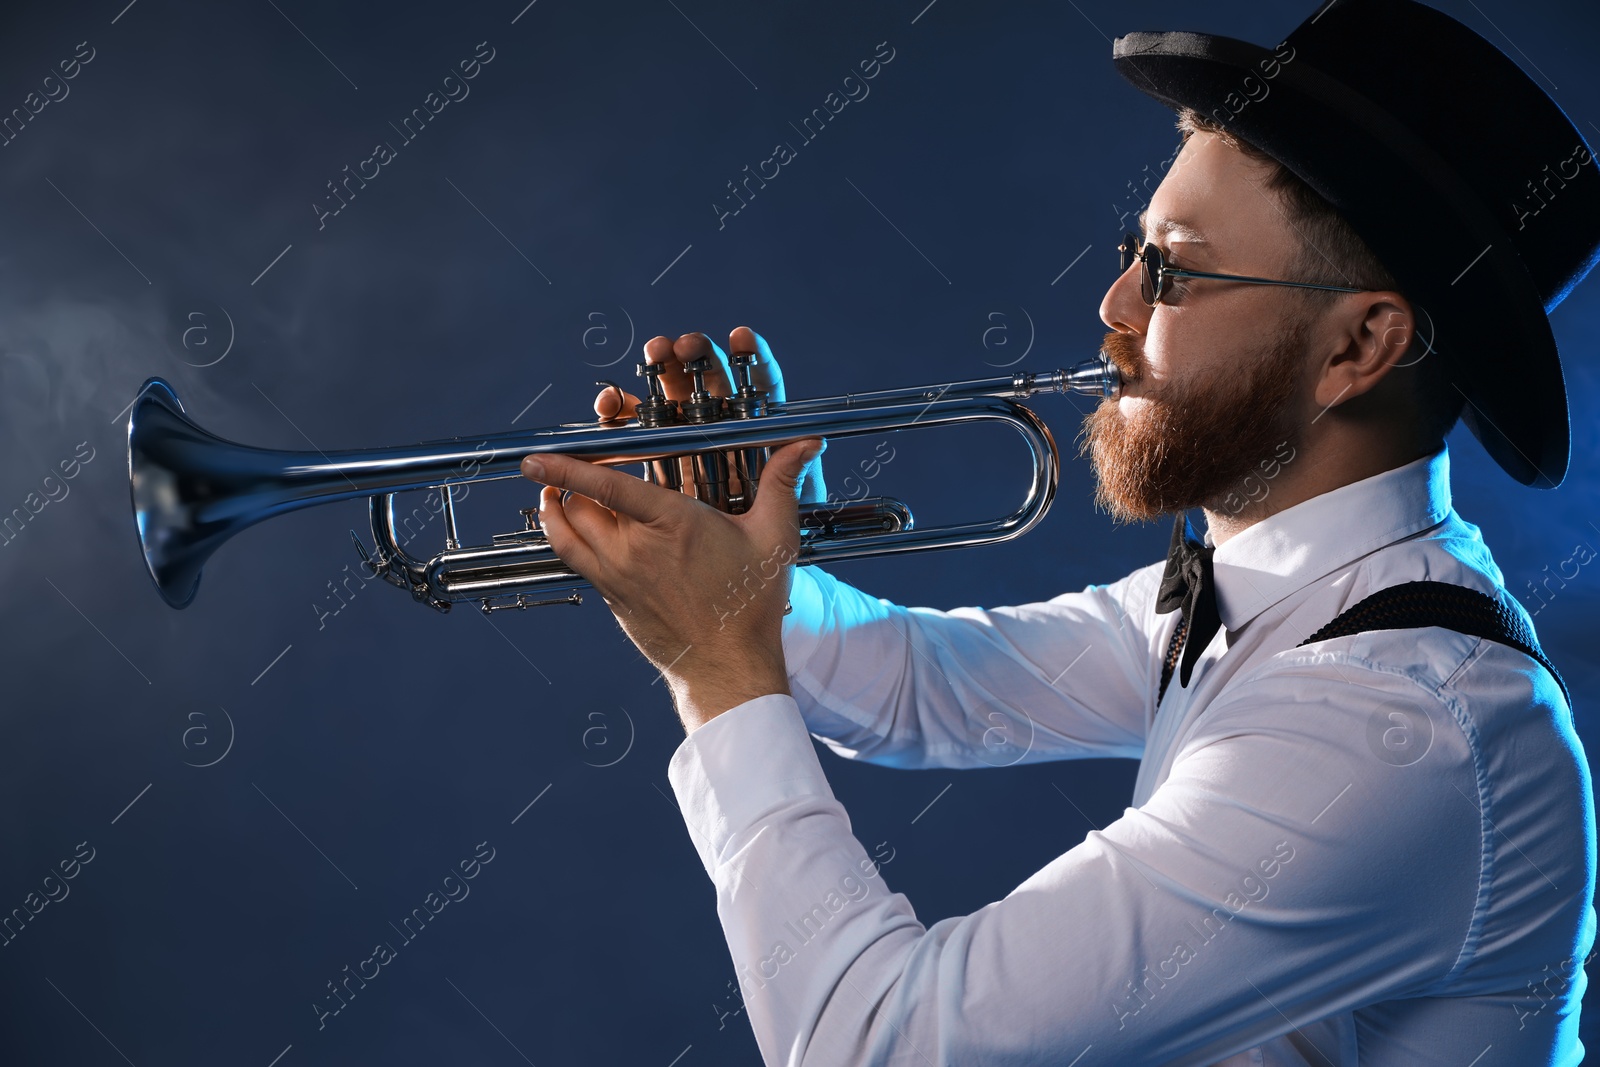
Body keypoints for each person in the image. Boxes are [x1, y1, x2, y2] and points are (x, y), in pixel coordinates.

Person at [519, 0, 1598, 1062]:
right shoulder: (1278, 587)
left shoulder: (1393, 725)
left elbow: (878, 1043)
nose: (1113, 303)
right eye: (1134, 251)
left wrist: (717, 670)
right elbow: (919, 688)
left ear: (1357, 345)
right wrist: (736, 564)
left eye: (1171, 269)